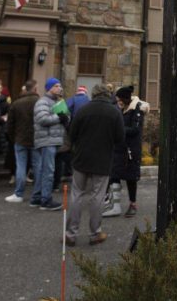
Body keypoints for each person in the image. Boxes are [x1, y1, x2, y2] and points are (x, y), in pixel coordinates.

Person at [65, 84, 124, 246]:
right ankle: (94, 233)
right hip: (103, 159)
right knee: (97, 196)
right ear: (107, 95)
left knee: (77, 195)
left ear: (93, 94)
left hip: (82, 158)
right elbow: (120, 137)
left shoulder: (83, 110)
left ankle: (70, 234)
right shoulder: (114, 112)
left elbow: (72, 133)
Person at [103, 85, 149, 218]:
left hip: (131, 150)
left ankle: (133, 204)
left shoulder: (137, 110)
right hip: (119, 149)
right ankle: (114, 205)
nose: (118, 102)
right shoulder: (121, 108)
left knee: (130, 178)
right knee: (114, 175)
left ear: (125, 98)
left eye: (120, 99)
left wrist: (118, 129)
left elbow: (135, 130)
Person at [31, 77, 67, 211]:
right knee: (48, 171)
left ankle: (36, 198)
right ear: (49, 88)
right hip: (47, 141)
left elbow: (62, 117)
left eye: (60, 86)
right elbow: (42, 119)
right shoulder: (43, 102)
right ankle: (46, 200)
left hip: (51, 140)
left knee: (43, 170)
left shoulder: (56, 101)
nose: (60, 88)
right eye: (57, 86)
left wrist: (65, 118)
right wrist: (59, 117)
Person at [5, 80, 39, 203]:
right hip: (36, 139)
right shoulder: (40, 102)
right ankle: (37, 195)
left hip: (20, 139)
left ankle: (19, 193)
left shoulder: (16, 103)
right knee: (37, 167)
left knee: (21, 166)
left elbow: (10, 124)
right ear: (35, 89)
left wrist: (12, 138)